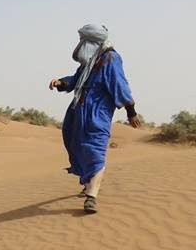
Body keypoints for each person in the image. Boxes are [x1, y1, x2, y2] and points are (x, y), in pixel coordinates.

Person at [49, 23, 142, 214]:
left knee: (96, 151)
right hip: (79, 111)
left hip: (97, 113)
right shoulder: (90, 61)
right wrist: (61, 82)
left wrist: (130, 111)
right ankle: (88, 182)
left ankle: (92, 196)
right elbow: (75, 79)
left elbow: (120, 85)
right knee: (80, 147)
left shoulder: (110, 58)